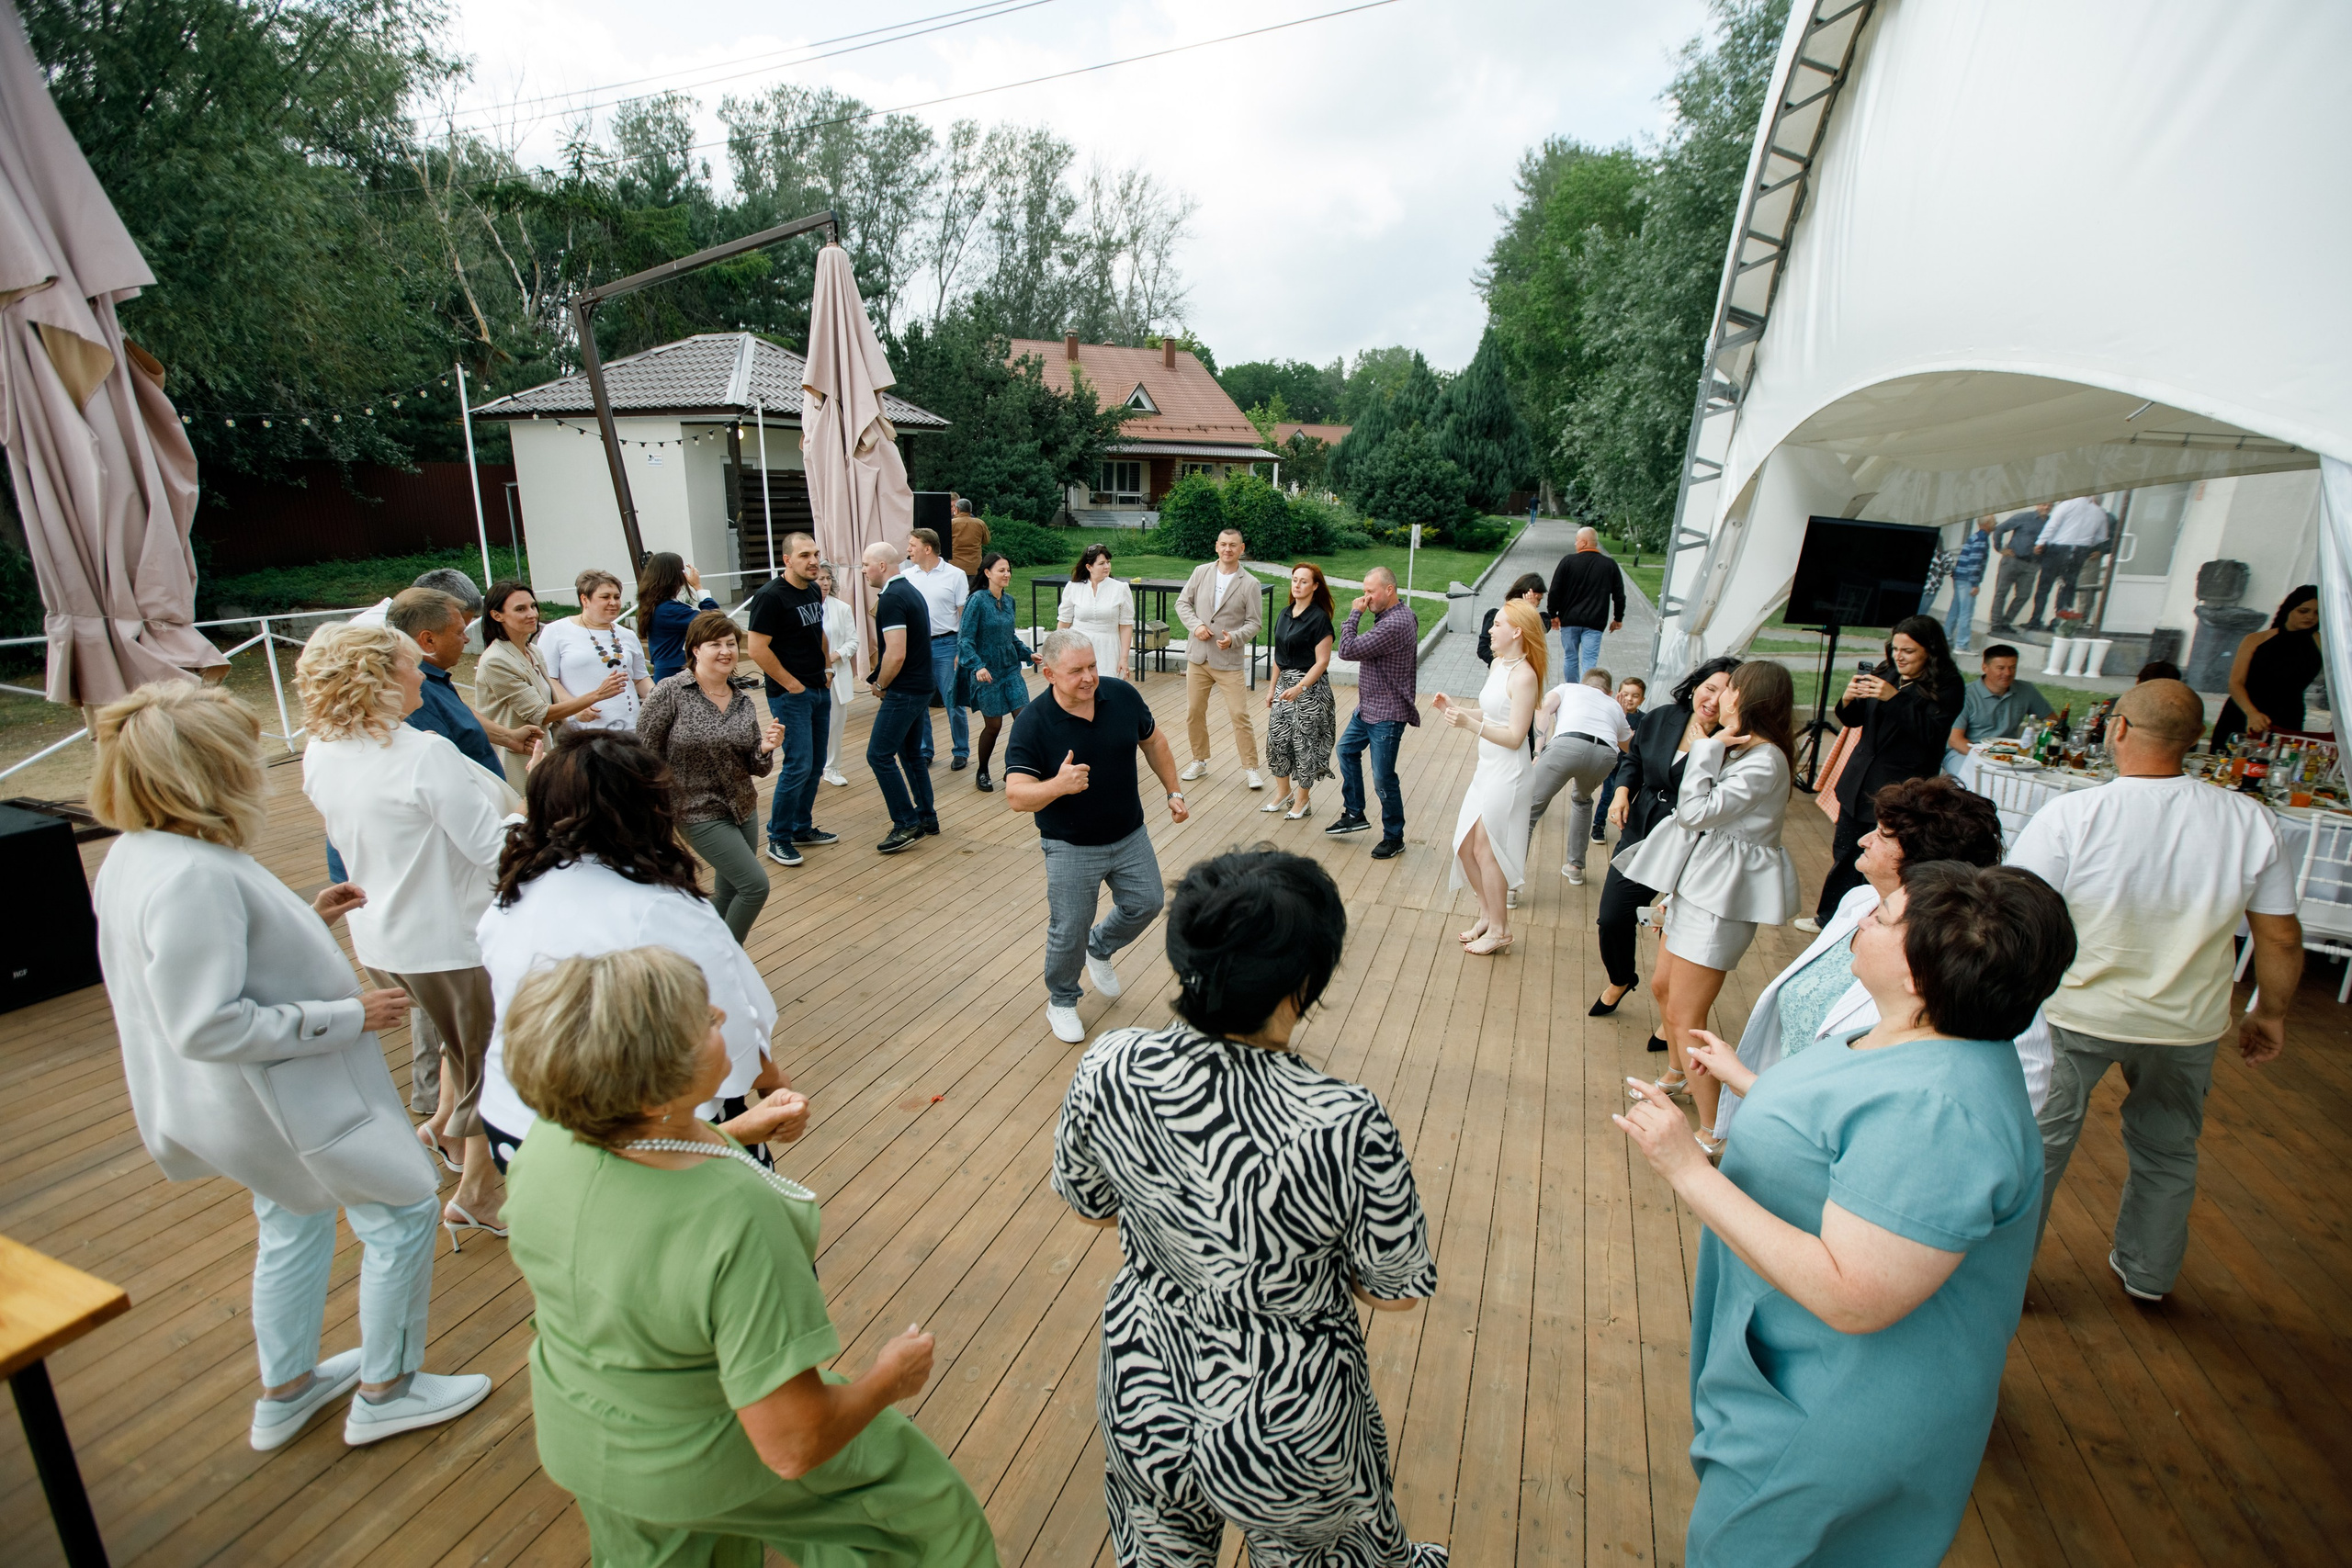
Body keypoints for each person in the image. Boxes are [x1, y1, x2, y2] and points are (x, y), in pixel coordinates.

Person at [1616, 863, 2073, 1568]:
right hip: (1790, 1369)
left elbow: (1854, 1293)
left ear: (1921, 974)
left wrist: (1686, 1168)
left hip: (1833, 1406)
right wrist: (1751, 1084)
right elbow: (1850, 1136)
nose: (1863, 918)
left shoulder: (1936, 1115)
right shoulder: (1914, 1038)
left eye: (1884, 917)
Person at [90, 682, 492, 1451]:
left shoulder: (137, 856)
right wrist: (348, 1016)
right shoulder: (195, 872)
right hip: (288, 1099)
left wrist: (306, 921)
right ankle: (388, 1389)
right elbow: (205, 1020)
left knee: (292, 1218)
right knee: (403, 1208)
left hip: (233, 1103)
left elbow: (202, 964)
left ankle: (287, 1387)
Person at [499, 946, 998, 1567]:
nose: (718, 1014)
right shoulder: (733, 1215)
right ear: (656, 1085)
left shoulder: (552, 1139)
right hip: (699, 1457)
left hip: (584, 1430)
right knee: (927, 1517)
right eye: (701, 1022)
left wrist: (729, 1133)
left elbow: (631, 1187)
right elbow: (794, 1444)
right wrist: (887, 1380)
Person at [1052, 849, 1441, 1567]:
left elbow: (1092, 1206)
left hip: (1147, 1381)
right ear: (1302, 983)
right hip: (1286, 1414)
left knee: (1160, 1551)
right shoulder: (1343, 1121)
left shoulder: (1110, 1067)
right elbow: (1393, 1293)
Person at [2008, 679, 2303, 1302]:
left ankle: (2005, 1277)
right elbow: (2279, 937)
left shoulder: (2073, 814)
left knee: (2040, 1148)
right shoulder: (2250, 818)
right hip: (2186, 1022)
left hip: (2075, 1010)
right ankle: (2148, 1272)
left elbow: (2016, 915)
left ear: (2117, 728)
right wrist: (2271, 1013)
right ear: (2197, 739)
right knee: (2168, 1151)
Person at [474, 729, 805, 1172]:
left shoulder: (517, 885)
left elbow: (511, 830)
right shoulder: (660, 905)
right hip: (637, 1124)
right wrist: (770, 1080)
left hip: (519, 1120)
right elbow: (729, 1012)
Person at [298, 620, 518, 1243]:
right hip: (451, 941)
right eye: (408, 663)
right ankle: (479, 1194)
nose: (422, 671)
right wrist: (531, 816)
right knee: (492, 1061)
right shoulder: (423, 754)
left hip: (380, 939)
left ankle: (443, 1130)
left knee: (458, 1043)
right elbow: (493, 852)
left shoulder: (321, 750)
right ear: (377, 679)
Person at [1690, 777, 2055, 1135]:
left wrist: (1750, 1085)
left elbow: (2013, 1094)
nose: (1863, 840)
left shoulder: (1976, 962)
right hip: (1780, 1117)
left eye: (1881, 834)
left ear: (1921, 862)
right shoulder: (1859, 901)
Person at [1619, 661, 1800, 1154]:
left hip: (1721, 901)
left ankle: (1715, 1127)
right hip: (1698, 887)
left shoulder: (1765, 761)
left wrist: (1706, 747)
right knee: (1663, 987)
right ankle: (1679, 1073)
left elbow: (1695, 813)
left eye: (1731, 689)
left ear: (1750, 698)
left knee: (1686, 1014)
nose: (1720, 698)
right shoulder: (1746, 749)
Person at [1003, 629, 1188, 1044]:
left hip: (1129, 833)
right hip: (1070, 844)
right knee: (1069, 927)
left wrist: (1173, 792)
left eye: (1092, 666)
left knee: (1147, 902)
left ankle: (1099, 946)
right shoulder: (1033, 723)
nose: (1088, 677)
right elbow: (1016, 796)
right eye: (1076, 671)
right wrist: (1058, 785)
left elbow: (1154, 741)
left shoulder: (1121, 696)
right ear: (1049, 674)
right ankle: (1062, 1000)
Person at [1592, 659, 1738, 1030]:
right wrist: (1622, 792)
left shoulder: (1736, 741)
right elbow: (1634, 759)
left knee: (1679, 929)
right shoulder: (1662, 717)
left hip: (1696, 844)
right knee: (1613, 917)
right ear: (1695, 686)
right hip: (1643, 827)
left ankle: (1674, 1017)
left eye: (1725, 693)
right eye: (1709, 688)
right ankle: (1621, 978)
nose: (1713, 700)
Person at [1811, 615, 1965, 927]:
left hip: (1901, 789)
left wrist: (1894, 699)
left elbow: (1932, 735)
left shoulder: (1948, 685)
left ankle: (1875, 924)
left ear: (1930, 651)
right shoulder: (1887, 671)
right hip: (1859, 782)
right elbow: (1854, 719)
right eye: (1895, 649)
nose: (1899, 656)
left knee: (1886, 862)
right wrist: (1848, 699)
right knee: (1846, 853)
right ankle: (1828, 920)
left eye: (1908, 651)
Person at [639, 613, 785, 944]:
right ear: (695, 650)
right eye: (715, 644)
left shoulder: (743, 700)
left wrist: (764, 748)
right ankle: (727, 961)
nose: (725, 651)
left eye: (731, 644)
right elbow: (643, 752)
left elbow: (756, 767)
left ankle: (699, 954)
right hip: (694, 809)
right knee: (754, 886)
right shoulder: (671, 691)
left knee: (729, 889)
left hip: (742, 807)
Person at [1435, 600, 1544, 956]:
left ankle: (1500, 930)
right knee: (1464, 845)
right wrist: (1457, 710)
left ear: (1517, 632)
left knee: (1486, 849)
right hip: (1487, 769)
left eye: (1497, 625)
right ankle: (1487, 914)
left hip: (1509, 772)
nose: (1490, 631)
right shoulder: (1498, 664)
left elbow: (1515, 736)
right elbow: (1492, 712)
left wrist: (1470, 724)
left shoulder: (1525, 676)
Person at [475, 579, 624, 793]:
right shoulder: (496, 660)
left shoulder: (533, 651)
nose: (532, 614)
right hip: (517, 758)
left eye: (533, 606)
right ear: (497, 615)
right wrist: (597, 695)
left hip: (548, 751)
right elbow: (541, 714)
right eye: (520, 609)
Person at [745, 531, 834, 868]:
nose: (813, 561)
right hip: (790, 695)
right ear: (787, 560)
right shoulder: (770, 597)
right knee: (798, 765)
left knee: (815, 764)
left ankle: (800, 827)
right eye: (804, 555)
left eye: (816, 554)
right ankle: (778, 837)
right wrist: (790, 683)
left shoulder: (812, 589)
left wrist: (827, 667)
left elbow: (818, 631)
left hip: (818, 688)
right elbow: (756, 648)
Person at [387, 587, 539, 780]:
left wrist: (507, 737)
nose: (466, 639)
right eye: (459, 632)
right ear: (428, 639)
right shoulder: (416, 693)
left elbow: (457, 717)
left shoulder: (432, 680)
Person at [1327, 567, 1419, 859]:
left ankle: (1394, 837)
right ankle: (1355, 813)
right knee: (1346, 750)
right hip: (1368, 708)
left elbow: (1347, 650)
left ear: (1389, 590)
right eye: (1364, 592)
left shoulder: (1396, 623)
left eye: (1370, 592)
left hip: (1387, 713)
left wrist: (1355, 614)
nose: (1365, 598)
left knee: (1383, 778)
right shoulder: (1394, 615)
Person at [1174, 527, 1265, 789]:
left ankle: (1251, 768)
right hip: (1199, 657)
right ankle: (1199, 760)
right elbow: (1182, 603)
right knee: (1194, 712)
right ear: (1216, 546)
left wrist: (1234, 638)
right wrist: (1196, 626)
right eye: (1223, 544)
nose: (1227, 549)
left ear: (1241, 549)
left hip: (1228, 660)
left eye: (1233, 545)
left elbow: (1255, 623)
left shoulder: (1250, 583)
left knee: (1239, 714)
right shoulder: (1201, 572)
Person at [1526, 666, 1633, 888]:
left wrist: (1538, 751)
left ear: (1584, 683)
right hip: (1605, 754)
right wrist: (1622, 716)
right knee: (1582, 800)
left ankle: (1509, 883)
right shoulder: (1613, 704)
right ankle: (1575, 867)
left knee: (1528, 810)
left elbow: (1543, 708)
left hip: (1567, 744)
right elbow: (1628, 745)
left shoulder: (1568, 688)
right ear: (1610, 692)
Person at [864, 541, 938, 853]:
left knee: (878, 755)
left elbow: (895, 653)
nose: (863, 570)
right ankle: (927, 817)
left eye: (866, 564)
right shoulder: (909, 590)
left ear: (882, 566)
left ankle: (906, 822)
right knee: (910, 754)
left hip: (905, 690)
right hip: (920, 686)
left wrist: (881, 684)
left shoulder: (893, 597)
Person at [956, 551, 1036, 792]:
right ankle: (982, 770)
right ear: (987, 573)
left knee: (1024, 719)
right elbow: (965, 639)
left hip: (1010, 670)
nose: (1007, 574)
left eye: (1008, 570)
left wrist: (1029, 654)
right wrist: (977, 666)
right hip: (987, 672)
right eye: (1001, 570)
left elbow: (1010, 637)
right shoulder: (977, 601)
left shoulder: (1009, 601)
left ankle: (1013, 768)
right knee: (994, 726)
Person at [1261, 561, 1337, 820]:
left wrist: (1301, 687)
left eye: (1304, 581)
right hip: (1284, 687)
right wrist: (1272, 688)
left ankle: (1303, 799)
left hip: (1310, 689)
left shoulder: (1319, 619)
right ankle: (1284, 793)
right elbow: (1278, 656)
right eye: (1295, 580)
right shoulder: (1284, 614)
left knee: (1305, 744)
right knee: (1276, 741)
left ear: (1315, 586)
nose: (1297, 585)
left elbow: (1322, 662)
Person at [541, 569, 653, 732]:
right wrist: (575, 708)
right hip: (584, 729)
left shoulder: (627, 635)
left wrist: (661, 699)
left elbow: (640, 678)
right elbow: (549, 679)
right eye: (605, 597)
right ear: (584, 600)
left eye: (617, 597)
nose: (613, 603)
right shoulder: (556, 631)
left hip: (630, 728)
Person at [2213, 583, 2322, 750]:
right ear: (2289, 609)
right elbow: (2235, 683)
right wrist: (2251, 713)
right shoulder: (2255, 639)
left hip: (2287, 717)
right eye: (2303, 611)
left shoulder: (2322, 644)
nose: (2310, 617)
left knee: (2276, 762)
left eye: (2317, 613)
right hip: (2243, 712)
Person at [900, 526, 970, 768]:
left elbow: (964, 616)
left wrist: (961, 650)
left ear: (927, 549)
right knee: (921, 702)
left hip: (947, 644)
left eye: (913, 545)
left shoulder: (955, 575)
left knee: (953, 701)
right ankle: (924, 750)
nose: (908, 549)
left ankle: (961, 750)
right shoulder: (907, 576)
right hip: (917, 647)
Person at [1943, 643, 2053, 768]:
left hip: (2008, 754)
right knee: (1977, 776)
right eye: (2001, 668)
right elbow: (1955, 740)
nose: (2007, 673)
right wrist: (1987, 758)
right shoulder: (1965, 694)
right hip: (1965, 752)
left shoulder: (2026, 690)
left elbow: (2053, 722)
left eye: (2012, 668)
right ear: (1985, 667)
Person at [1544, 525, 1625, 685]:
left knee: (1570, 657)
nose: (1575, 544)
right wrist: (1618, 618)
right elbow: (1619, 595)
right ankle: (1585, 691)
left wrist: (1553, 615)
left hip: (1569, 620)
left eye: (1576, 540)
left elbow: (1555, 590)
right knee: (1590, 660)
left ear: (1584, 542)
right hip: (1595, 622)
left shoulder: (1568, 561)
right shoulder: (1609, 565)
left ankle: (1572, 689)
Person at [2024, 493, 2111, 630]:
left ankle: (2035, 620)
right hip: (2080, 550)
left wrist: (2040, 543)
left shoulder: (2066, 505)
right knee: (2068, 586)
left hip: (2059, 548)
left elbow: (2052, 526)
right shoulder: (2099, 512)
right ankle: (2059, 622)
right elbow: (2101, 537)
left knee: (2044, 586)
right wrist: (2086, 543)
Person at [637, 552, 718, 682]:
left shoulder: (654, 605)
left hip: (667, 671)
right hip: (675, 673)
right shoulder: (668, 610)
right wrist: (698, 587)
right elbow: (714, 621)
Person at [1057, 543, 1135, 681]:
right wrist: (1058, 653)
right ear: (1089, 567)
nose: (1107, 566)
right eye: (1101, 563)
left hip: (1109, 649)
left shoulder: (1120, 589)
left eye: (1108, 562)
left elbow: (1126, 626)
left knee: (1107, 686)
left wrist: (1124, 658)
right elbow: (1064, 623)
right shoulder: (1073, 587)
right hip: (1078, 647)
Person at [818, 563, 859, 787]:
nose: (825, 583)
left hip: (835, 674)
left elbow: (853, 641)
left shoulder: (842, 608)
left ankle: (832, 768)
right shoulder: (800, 607)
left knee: (835, 723)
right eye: (820, 579)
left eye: (828, 579)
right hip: (808, 675)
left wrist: (834, 656)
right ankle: (811, 769)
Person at [1987, 503, 2051, 632]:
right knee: (2001, 592)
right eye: (2044, 504)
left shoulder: (2051, 523)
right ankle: (1996, 623)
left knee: (2024, 595)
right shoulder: (2023, 517)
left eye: (2050, 506)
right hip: (2013, 560)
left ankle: (2006, 622)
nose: (2046, 508)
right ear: (2038, 504)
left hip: (2031, 565)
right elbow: (1999, 529)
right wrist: (2000, 549)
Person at [1942, 514, 1994, 654]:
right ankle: (1962, 645)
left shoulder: (1974, 536)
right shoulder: (1981, 539)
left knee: (1954, 610)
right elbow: (1975, 562)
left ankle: (1946, 639)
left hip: (1959, 577)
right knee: (1966, 613)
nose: (1996, 524)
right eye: (1994, 522)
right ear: (1986, 524)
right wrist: (1975, 583)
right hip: (1967, 579)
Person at [1476, 572, 1547, 665]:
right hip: (1501, 668)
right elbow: (1482, 649)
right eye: (1537, 599)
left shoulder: (1541, 619)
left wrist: (1529, 611)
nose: (1537, 603)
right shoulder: (1495, 616)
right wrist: (1504, 661)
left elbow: (1540, 630)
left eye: (1539, 599)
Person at [949, 495, 991, 590]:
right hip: (974, 565)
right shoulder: (980, 523)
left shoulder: (951, 523)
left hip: (955, 565)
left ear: (957, 509)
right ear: (970, 510)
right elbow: (986, 541)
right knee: (973, 591)